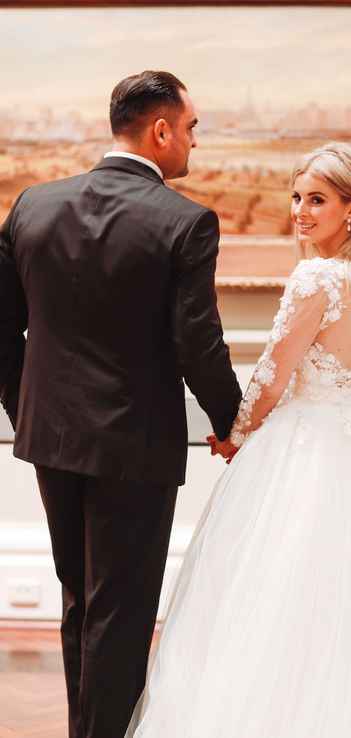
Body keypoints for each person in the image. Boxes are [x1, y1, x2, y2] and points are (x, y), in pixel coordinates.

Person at [125, 141, 351, 738]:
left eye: (316, 199)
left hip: (309, 445)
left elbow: (273, 372)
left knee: (284, 598)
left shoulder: (317, 275)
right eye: (296, 197)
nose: (299, 210)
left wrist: (237, 435)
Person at [0, 70, 241, 738]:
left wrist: (31, 415)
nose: (194, 142)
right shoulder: (185, 221)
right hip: (134, 447)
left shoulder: (33, 206)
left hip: (52, 441)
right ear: (161, 131)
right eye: (191, 128)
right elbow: (198, 344)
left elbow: (3, 331)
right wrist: (234, 423)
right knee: (122, 613)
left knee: (80, 602)